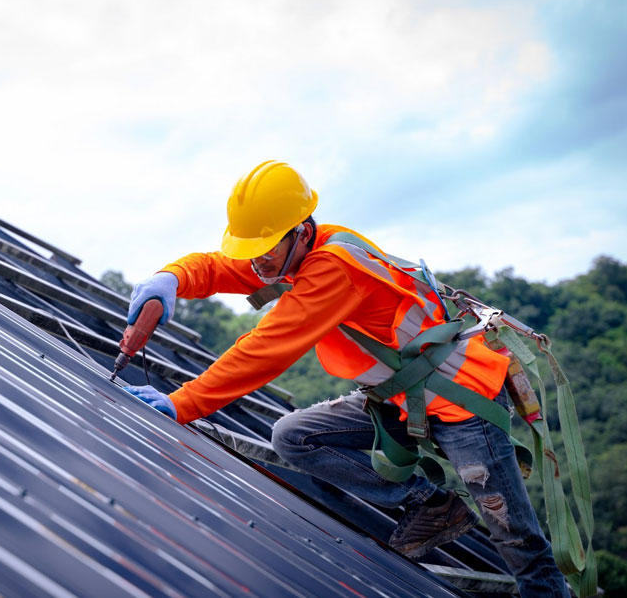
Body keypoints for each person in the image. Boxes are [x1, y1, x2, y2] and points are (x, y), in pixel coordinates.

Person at [124, 160, 569, 597]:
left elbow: (264, 350)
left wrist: (184, 403)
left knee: (515, 538)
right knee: (294, 437)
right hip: (398, 397)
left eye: (267, 251)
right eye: (252, 252)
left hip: (460, 401)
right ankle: (431, 504)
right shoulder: (287, 253)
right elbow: (223, 267)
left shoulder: (334, 266)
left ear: (299, 231)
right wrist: (173, 277)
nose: (259, 264)